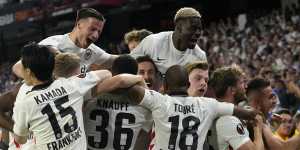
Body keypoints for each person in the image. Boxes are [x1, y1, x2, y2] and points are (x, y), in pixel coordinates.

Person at [12, 43, 143, 149]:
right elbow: (106, 74)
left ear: (28, 72)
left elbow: (19, 138)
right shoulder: (72, 85)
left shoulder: (25, 101)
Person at [120, 65, 257, 150]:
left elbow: (127, 86)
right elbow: (241, 111)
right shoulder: (208, 105)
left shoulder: (158, 100)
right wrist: (252, 114)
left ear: (166, 86)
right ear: (187, 84)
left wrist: (139, 79)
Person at [12, 8, 117, 78]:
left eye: (99, 32)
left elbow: (118, 60)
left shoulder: (92, 51)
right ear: (79, 24)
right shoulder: (53, 44)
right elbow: (17, 67)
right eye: (92, 29)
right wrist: (47, 86)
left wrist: (134, 52)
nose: (96, 36)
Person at [84, 55, 152, 150]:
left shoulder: (89, 97)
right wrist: (140, 79)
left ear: (112, 72)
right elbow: (144, 139)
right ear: (134, 76)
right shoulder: (145, 107)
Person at [130, 7, 207, 74]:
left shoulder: (200, 57)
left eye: (199, 29)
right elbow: (127, 64)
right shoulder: (154, 42)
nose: (198, 33)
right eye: (193, 28)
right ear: (179, 28)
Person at [208, 65, 264, 150]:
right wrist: (258, 129)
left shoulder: (213, 111)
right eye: (242, 83)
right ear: (232, 90)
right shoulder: (228, 120)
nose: (246, 86)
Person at [247, 77, 300, 150]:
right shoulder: (254, 119)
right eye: (270, 97)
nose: (274, 101)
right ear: (257, 103)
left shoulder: (259, 119)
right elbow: (283, 148)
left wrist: (271, 127)